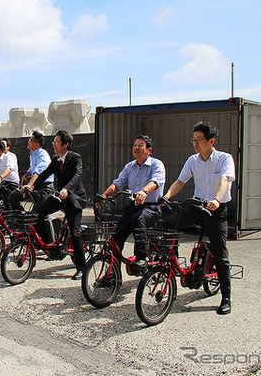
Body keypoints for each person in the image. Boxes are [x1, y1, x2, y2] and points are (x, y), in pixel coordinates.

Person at [163, 122, 235, 315]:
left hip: (215, 208)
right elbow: (180, 181)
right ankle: (169, 265)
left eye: (199, 140)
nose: (195, 143)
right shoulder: (193, 160)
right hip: (197, 205)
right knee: (169, 223)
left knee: (220, 253)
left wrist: (217, 199)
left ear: (211, 141)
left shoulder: (224, 159)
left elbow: (224, 180)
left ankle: (226, 297)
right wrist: (167, 196)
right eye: (193, 139)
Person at [29, 130, 87, 280]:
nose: (53, 144)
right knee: (37, 211)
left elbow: (77, 176)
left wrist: (67, 189)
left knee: (75, 233)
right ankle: (49, 245)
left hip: (74, 198)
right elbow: (44, 174)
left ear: (66, 144)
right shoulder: (55, 159)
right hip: (60, 197)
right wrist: (32, 187)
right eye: (53, 141)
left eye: (56, 142)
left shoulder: (76, 158)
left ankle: (82, 267)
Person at [100, 135, 165, 266]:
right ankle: (112, 273)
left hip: (151, 207)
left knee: (138, 219)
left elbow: (156, 181)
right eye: (135, 145)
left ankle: (141, 257)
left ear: (149, 150)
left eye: (140, 145)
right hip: (134, 206)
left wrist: (144, 191)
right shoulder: (129, 166)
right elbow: (118, 183)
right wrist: (104, 195)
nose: (136, 148)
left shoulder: (156, 164)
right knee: (117, 236)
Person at [9, 130, 54, 211]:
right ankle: (22, 218)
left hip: (44, 187)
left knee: (40, 213)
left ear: (37, 145)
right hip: (35, 185)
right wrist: (26, 175)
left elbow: (38, 171)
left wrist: (29, 185)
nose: (28, 141)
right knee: (13, 196)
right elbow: (32, 169)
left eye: (31, 140)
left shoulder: (42, 154)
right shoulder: (33, 153)